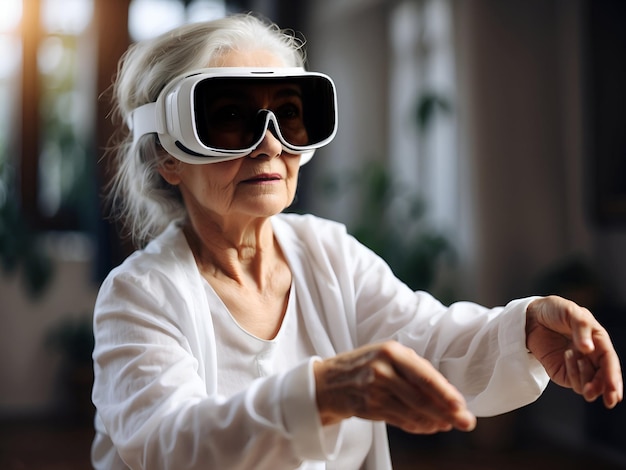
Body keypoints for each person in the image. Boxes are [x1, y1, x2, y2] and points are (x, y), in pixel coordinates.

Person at [91, 13, 623, 470]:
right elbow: (171, 446)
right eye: (229, 117)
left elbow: (431, 341)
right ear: (168, 158)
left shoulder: (329, 253)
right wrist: (321, 392)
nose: (270, 143)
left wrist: (526, 330)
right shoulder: (138, 296)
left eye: (289, 113)